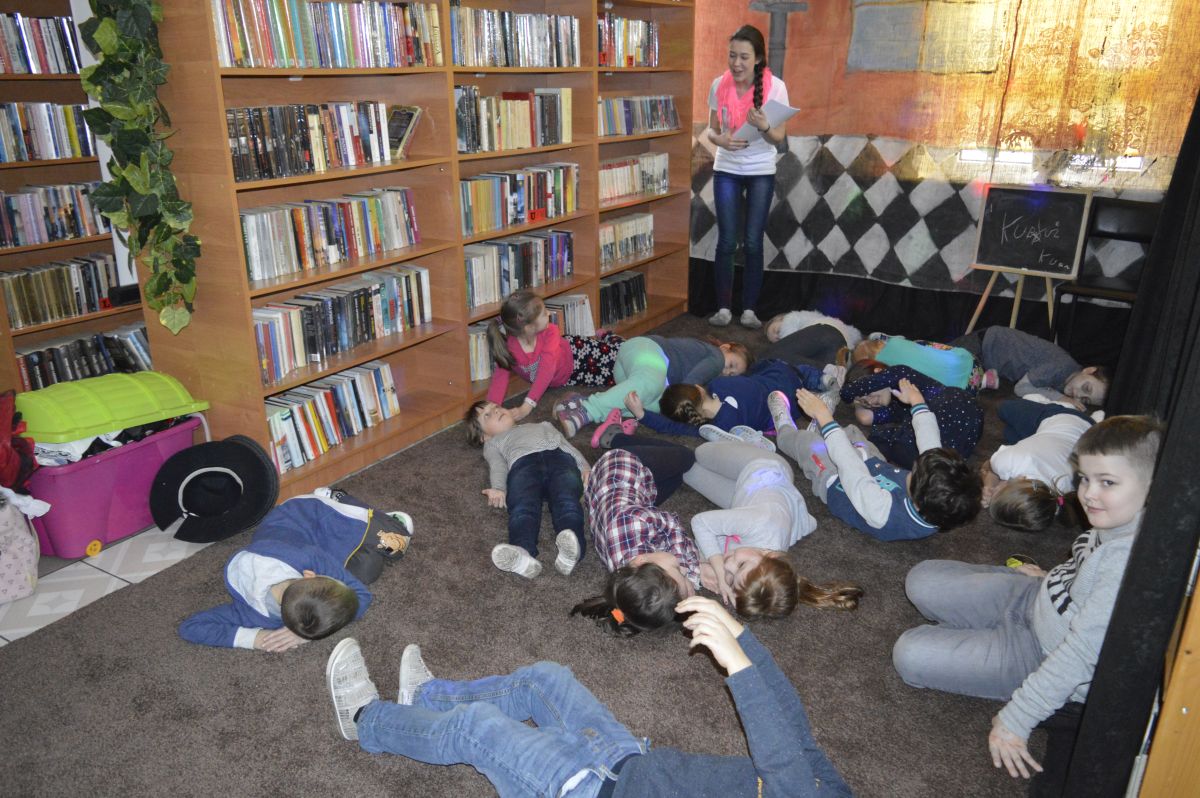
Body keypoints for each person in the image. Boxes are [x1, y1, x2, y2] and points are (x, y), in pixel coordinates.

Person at [326, 597, 854, 797]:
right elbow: (795, 735)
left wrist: (739, 669)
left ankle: (365, 719)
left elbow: (782, 769)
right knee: (544, 678)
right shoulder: (835, 792)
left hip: (587, 791)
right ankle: (425, 696)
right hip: (628, 759)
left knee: (476, 729)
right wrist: (745, 639)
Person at [891, 415, 1163, 779]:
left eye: (1107, 482)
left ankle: (975, 643)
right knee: (920, 579)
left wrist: (1017, 719)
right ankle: (973, 631)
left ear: (1154, 486)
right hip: (1033, 597)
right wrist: (1049, 577)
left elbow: (1082, 654)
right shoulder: (1116, 519)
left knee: (909, 653)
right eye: (1085, 478)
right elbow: (1085, 574)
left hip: (1038, 654)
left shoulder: (1131, 560)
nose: (1088, 494)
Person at [177, 490, 411, 651]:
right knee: (371, 566)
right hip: (309, 534)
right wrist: (256, 638)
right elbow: (190, 628)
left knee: (398, 542)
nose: (340, 579)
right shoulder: (251, 614)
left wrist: (303, 634)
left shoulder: (308, 558)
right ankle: (369, 526)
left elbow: (361, 596)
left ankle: (336, 497)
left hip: (305, 513)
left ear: (310, 575)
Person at [769, 382, 981, 541]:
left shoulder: (883, 513)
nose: (913, 467)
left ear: (917, 499)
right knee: (852, 433)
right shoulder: (936, 503)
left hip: (838, 481)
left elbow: (851, 469)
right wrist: (917, 402)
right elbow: (931, 447)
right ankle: (824, 431)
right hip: (875, 466)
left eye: (914, 472)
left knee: (808, 446)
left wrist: (824, 416)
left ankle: (785, 430)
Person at [683, 440, 863, 618]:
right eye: (741, 565)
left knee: (687, 472)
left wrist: (700, 567)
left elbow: (708, 545)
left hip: (744, 500)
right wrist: (720, 573)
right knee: (700, 453)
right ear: (771, 555)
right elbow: (700, 523)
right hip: (762, 467)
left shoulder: (765, 562)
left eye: (732, 575)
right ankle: (749, 443)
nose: (728, 564)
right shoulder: (761, 523)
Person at [705, 25, 790, 330]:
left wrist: (765, 126)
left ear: (758, 59)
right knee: (727, 240)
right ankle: (723, 308)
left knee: (753, 242)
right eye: (732, 56)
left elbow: (778, 137)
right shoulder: (719, 84)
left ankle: (750, 310)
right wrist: (719, 140)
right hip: (726, 168)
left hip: (760, 172)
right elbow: (711, 129)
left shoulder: (776, 87)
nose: (736, 63)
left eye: (743, 57)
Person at [571, 446, 706, 636]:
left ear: (642, 561)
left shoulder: (633, 521)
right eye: (682, 572)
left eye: (677, 569)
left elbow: (672, 524)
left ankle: (616, 438)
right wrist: (687, 583)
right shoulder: (629, 580)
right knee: (678, 478)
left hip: (621, 464)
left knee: (688, 456)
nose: (682, 568)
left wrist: (691, 569)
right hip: (636, 499)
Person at [464, 399, 590, 579]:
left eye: (496, 407)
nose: (496, 411)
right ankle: (522, 553)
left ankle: (571, 550)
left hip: (559, 460)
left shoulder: (543, 425)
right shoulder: (493, 443)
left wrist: (584, 466)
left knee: (567, 500)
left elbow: (568, 447)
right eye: (488, 415)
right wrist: (498, 488)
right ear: (484, 436)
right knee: (522, 506)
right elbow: (497, 466)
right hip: (523, 467)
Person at [553, 336, 750, 438]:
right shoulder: (716, 357)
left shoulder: (714, 374)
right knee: (652, 384)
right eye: (732, 364)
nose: (726, 371)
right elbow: (688, 385)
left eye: (732, 374)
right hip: (648, 351)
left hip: (632, 371)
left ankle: (577, 402)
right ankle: (588, 410)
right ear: (726, 347)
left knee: (656, 405)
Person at [625, 358, 839, 445]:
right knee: (774, 365)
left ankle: (819, 391)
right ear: (699, 388)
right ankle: (821, 378)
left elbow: (671, 427)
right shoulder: (719, 383)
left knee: (775, 393)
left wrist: (642, 414)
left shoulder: (716, 428)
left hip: (791, 408)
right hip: (781, 375)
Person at [485, 289, 624, 421]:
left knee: (621, 356)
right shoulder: (509, 347)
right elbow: (499, 379)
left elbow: (546, 370)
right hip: (568, 378)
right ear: (529, 327)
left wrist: (527, 406)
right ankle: (608, 339)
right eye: (544, 314)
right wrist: (490, 411)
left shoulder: (551, 331)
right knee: (615, 376)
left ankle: (608, 336)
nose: (549, 313)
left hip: (578, 353)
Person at [840, 363, 984, 469]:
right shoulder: (894, 409)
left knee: (886, 440)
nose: (871, 402)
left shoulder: (899, 375)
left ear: (878, 373)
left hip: (954, 405)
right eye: (866, 402)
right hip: (955, 443)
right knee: (883, 439)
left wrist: (850, 394)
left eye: (868, 393)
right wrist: (858, 401)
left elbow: (846, 393)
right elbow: (865, 418)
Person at [981, 398, 1094, 533]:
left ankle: (1051, 406)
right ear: (1020, 478)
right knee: (1004, 408)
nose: (995, 489)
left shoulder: (1059, 496)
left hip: (1091, 435)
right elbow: (988, 466)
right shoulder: (1009, 462)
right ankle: (1059, 403)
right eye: (997, 490)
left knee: (1008, 431)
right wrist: (989, 484)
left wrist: (989, 485)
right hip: (1065, 418)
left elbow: (991, 470)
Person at [952, 325, 1110, 409]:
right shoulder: (1061, 367)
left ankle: (983, 376)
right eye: (1086, 388)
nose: (1078, 394)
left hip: (989, 359)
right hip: (985, 344)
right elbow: (1021, 388)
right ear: (1089, 370)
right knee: (940, 362)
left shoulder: (1068, 378)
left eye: (1084, 399)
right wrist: (1059, 398)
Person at [850, 334, 992, 392]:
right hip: (971, 361)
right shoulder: (895, 341)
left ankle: (983, 382)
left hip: (963, 392)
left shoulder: (884, 372)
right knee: (924, 346)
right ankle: (985, 378)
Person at [763, 309, 863, 351]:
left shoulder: (791, 318)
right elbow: (852, 333)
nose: (779, 336)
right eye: (777, 340)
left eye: (777, 331)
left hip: (826, 332)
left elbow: (789, 342)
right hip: (841, 341)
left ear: (781, 318)